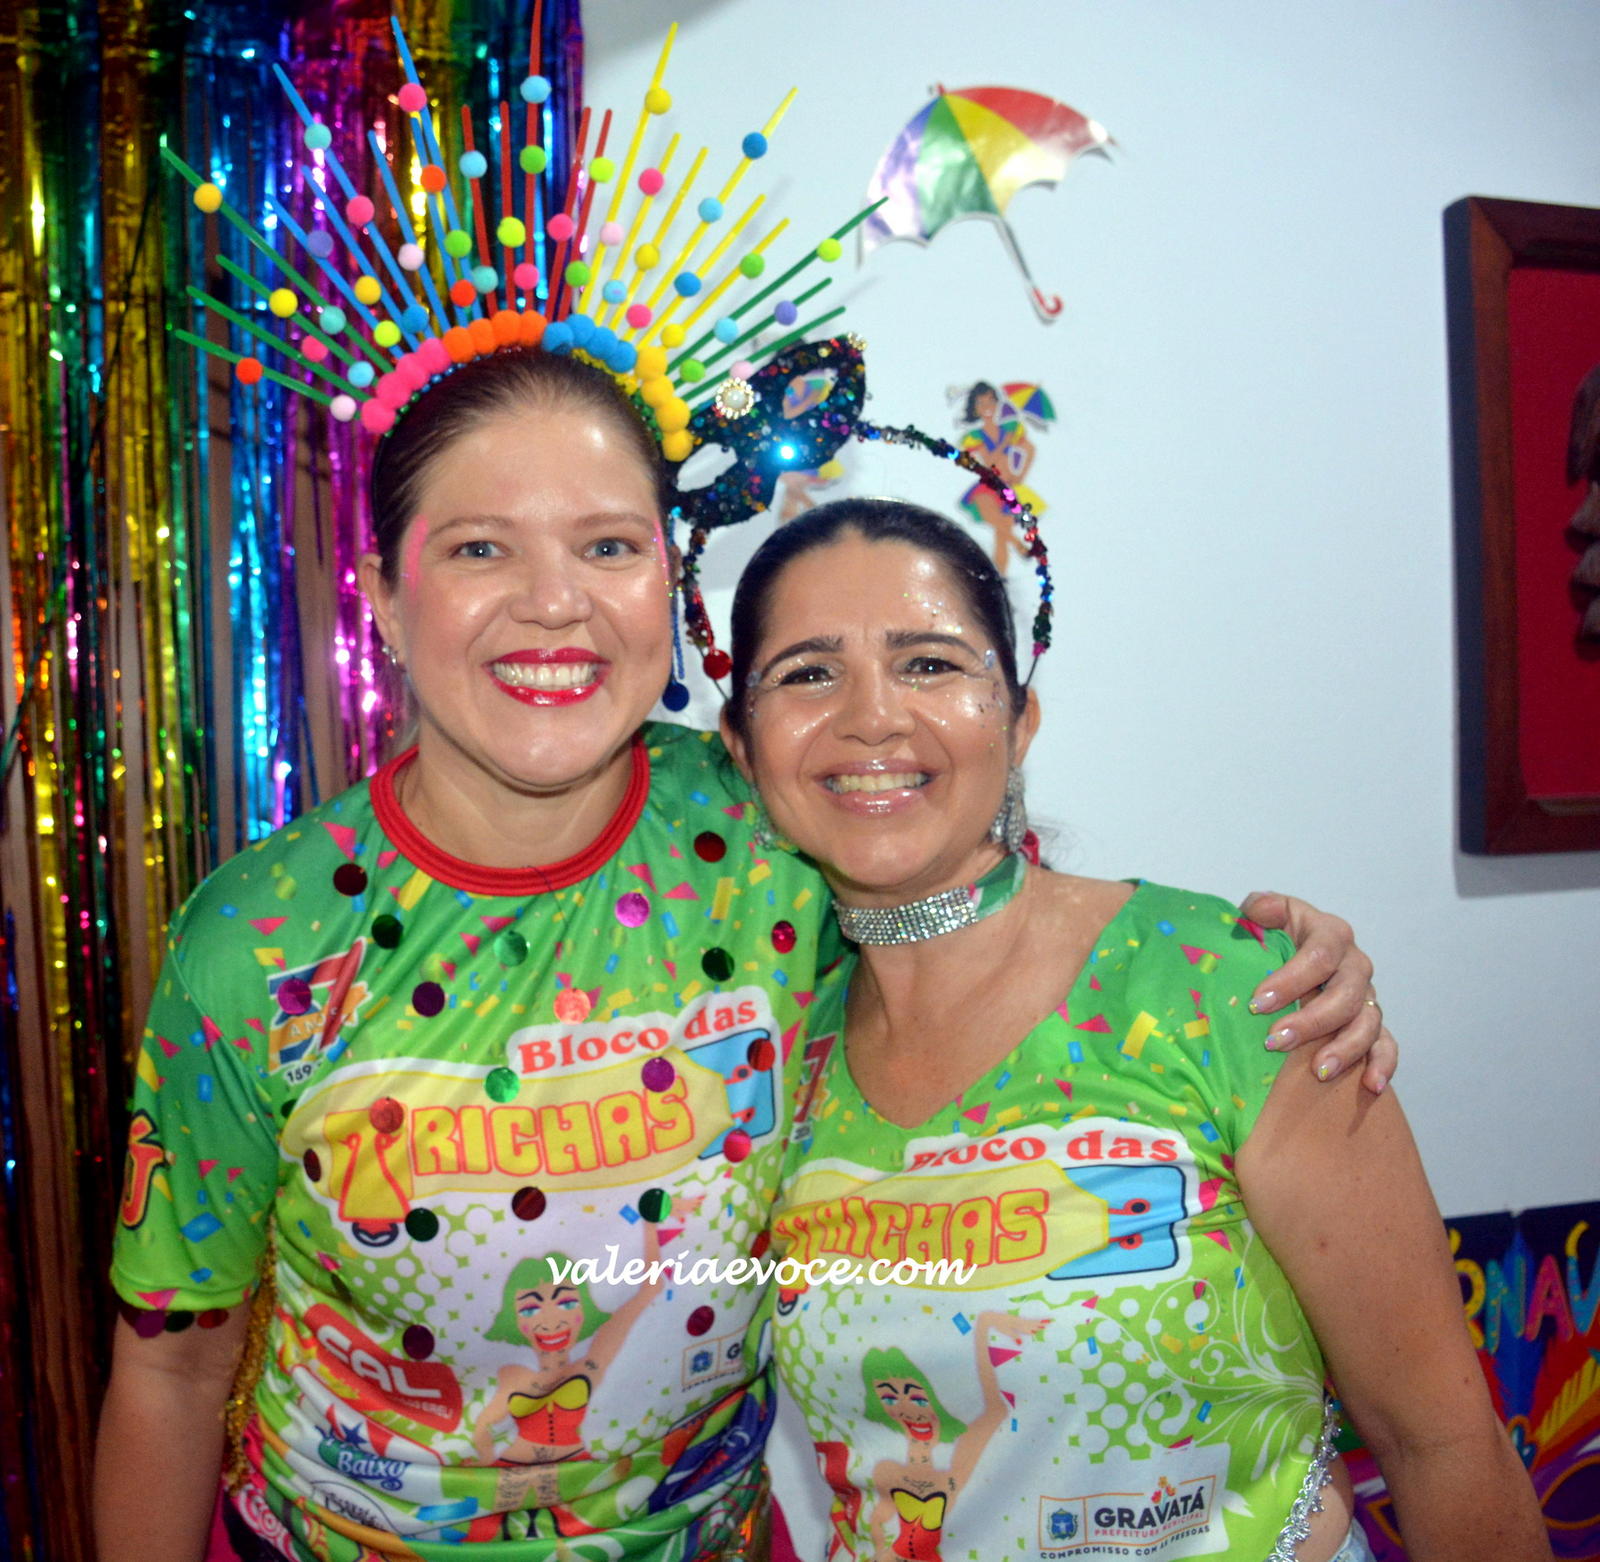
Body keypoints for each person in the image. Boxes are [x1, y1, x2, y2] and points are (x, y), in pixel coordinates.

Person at [95, 352, 1391, 1562]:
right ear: (382, 592)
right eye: (481, 547)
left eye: (608, 545)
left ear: (668, 581)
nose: (553, 600)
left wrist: (1259, 965)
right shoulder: (259, 941)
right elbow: (168, 1365)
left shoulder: (766, 834)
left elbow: (978, 902)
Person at [719, 498, 1550, 1562]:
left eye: (929, 663)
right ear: (741, 746)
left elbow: (1440, 1442)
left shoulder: (1228, 988)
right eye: (807, 673)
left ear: (1018, 718)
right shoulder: (769, 1056)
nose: (872, 717)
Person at [957, 382, 1044, 573]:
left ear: (997, 403)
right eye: (981, 403)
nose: (987, 407)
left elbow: (1030, 449)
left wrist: (1020, 475)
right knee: (992, 517)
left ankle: (1001, 577)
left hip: (1008, 486)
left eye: (991, 401)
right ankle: (1019, 544)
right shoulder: (975, 436)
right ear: (975, 408)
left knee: (1001, 534)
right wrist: (1005, 441)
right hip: (988, 485)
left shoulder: (1011, 428)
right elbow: (990, 461)